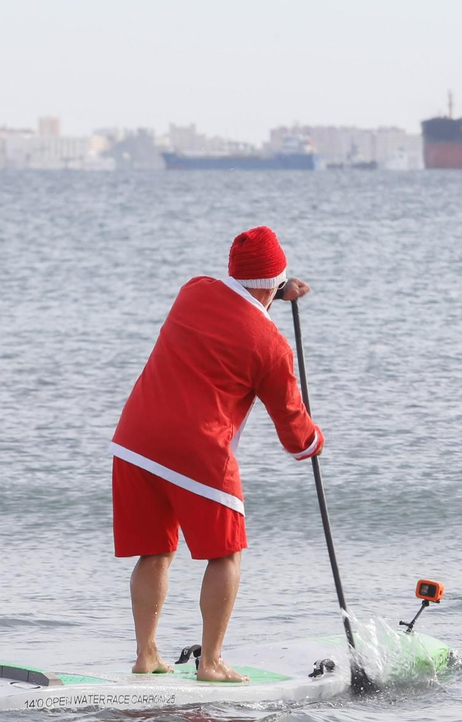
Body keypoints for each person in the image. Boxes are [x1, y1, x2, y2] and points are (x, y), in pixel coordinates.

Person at [109, 226, 322, 682]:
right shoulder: (270, 345)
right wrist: (315, 441)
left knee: (154, 552)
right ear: (273, 284)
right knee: (225, 555)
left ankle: (146, 655)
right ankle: (211, 662)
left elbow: (244, 291)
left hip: (134, 443)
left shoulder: (193, 290)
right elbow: (296, 437)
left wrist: (279, 287)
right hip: (198, 452)